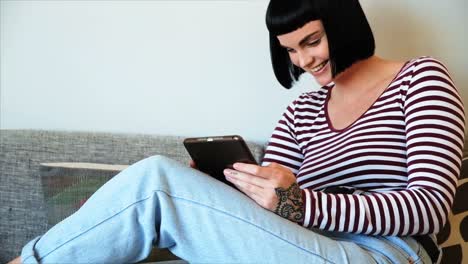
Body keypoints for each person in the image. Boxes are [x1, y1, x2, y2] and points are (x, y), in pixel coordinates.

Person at [10, 0, 464, 263]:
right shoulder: (302, 110)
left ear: (344, 22)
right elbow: (273, 211)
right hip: (309, 246)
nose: (303, 61)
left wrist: (302, 202)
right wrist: (224, 189)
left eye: (312, 40)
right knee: (169, 184)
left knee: (155, 183)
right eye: (290, 50)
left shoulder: (419, 79)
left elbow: (428, 210)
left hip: (385, 253)